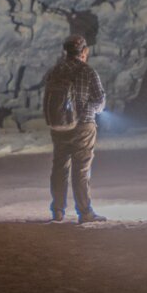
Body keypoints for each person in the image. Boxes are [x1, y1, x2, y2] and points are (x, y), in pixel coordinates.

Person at [41, 34, 107, 224]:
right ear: (84, 51)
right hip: (83, 127)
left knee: (59, 167)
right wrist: (92, 110)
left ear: (66, 51)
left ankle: (58, 211)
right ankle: (85, 212)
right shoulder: (87, 71)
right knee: (81, 170)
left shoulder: (55, 71)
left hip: (59, 126)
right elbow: (99, 101)